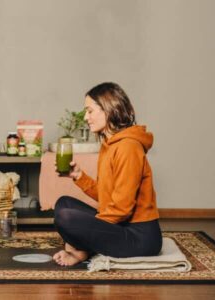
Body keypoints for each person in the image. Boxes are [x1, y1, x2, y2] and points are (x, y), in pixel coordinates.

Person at [53, 82, 162, 266]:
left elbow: (122, 207)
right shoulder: (109, 145)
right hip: (120, 226)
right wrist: (79, 176)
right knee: (63, 204)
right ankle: (84, 249)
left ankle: (81, 252)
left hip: (140, 237)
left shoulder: (128, 147)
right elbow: (108, 196)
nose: (86, 117)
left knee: (66, 218)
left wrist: (89, 226)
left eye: (90, 111)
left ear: (108, 108)